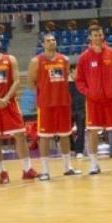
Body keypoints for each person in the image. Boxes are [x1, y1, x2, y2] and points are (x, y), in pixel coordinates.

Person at [75, 25, 112, 174]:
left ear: (103, 35)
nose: (98, 37)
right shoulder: (84, 57)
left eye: (100, 34)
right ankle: (94, 164)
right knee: (93, 132)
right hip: (93, 101)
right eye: (95, 35)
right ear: (90, 37)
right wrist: (89, 92)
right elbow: (79, 80)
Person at [27, 33, 81, 180]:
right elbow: (31, 82)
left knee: (65, 135)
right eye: (48, 41)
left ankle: (68, 167)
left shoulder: (65, 59)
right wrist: (42, 94)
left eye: (53, 40)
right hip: (46, 104)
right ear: (43, 44)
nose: (51, 42)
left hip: (63, 102)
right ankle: (45, 171)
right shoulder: (36, 61)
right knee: (44, 137)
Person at [0, 33, 38, 184]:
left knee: (20, 136)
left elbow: (16, 81)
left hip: (10, 103)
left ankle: (27, 169)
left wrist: (5, 99)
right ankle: (2, 172)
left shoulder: (10, 59)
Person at [68, 64, 87, 158]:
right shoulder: (66, 82)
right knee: (67, 130)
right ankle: (71, 148)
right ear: (71, 70)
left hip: (81, 109)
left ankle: (79, 150)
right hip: (69, 109)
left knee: (81, 130)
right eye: (77, 70)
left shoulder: (82, 81)